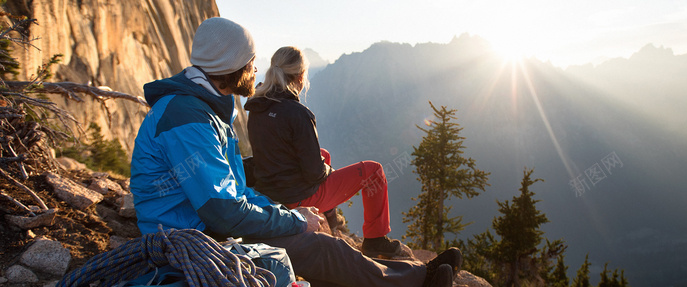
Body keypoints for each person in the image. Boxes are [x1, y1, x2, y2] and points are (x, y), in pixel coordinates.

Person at [130, 17, 461, 287]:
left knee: (316, 244)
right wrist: (293, 219)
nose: (255, 71)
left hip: (203, 225)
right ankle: (418, 279)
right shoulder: (188, 119)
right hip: (194, 236)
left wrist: (285, 215)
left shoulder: (205, 109)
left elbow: (234, 191)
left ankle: (412, 274)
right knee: (317, 248)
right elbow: (223, 209)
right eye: (250, 64)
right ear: (232, 68)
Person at [244, 46, 402, 258]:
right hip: (297, 198)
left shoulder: (257, 107)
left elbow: (272, 152)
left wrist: (322, 163)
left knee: (323, 153)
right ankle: (375, 239)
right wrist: (329, 170)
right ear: (301, 76)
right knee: (373, 171)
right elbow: (314, 173)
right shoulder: (298, 113)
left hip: (271, 191)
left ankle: (329, 219)